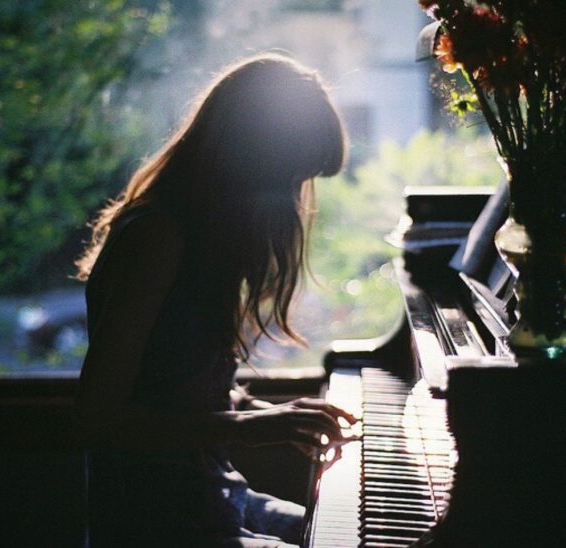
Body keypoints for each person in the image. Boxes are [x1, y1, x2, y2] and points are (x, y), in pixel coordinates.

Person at [72, 52, 356, 547]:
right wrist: (248, 425)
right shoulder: (156, 237)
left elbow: (176, 386)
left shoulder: (200, 236)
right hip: (156, 523)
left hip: (211, 495)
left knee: (353, 532)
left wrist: (271, 411)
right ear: (248, 159)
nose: (293, 198)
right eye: (287, 177)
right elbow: (98, 419)